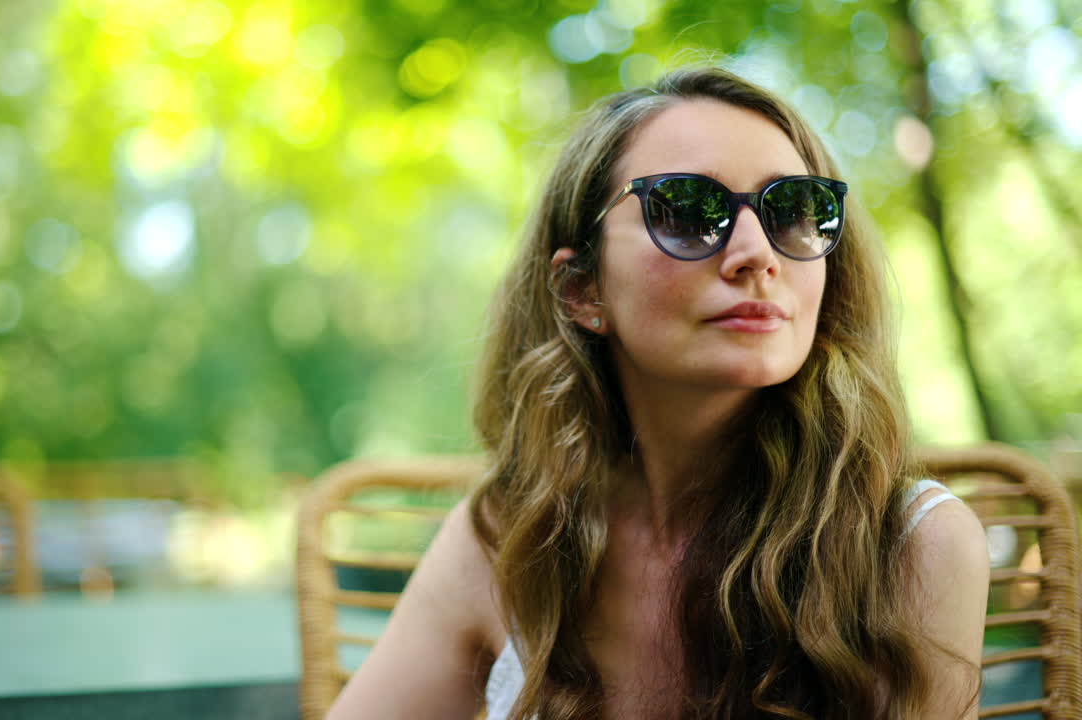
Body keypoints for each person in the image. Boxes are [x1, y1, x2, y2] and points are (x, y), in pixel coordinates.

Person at [326, 66, 989, 719]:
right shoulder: (511, 535)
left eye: (793, 211)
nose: (757, 254)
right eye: (689, 211)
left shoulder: (914, 548)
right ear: (581, 290)